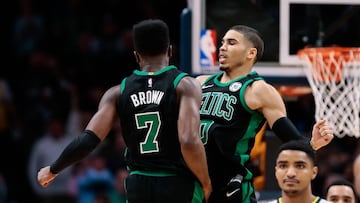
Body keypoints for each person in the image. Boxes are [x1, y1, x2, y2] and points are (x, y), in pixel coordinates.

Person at [37, 19, 212, 203]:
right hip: (177, 183)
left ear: (136, 55)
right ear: (169, 50)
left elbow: (88, 139)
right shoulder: (184, 85)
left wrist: (52, 169)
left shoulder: (117, 92)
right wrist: (206, 181)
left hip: (139, 185)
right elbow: (189, 140)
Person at [196, 24, 334, 203]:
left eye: (231, 43)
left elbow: (291, 139)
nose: (222, 47)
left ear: (250, 53)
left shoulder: (259, 90)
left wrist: (312, 144)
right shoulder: (199, 83)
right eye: (222, 42)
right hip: (191, 180)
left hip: (229, 185)